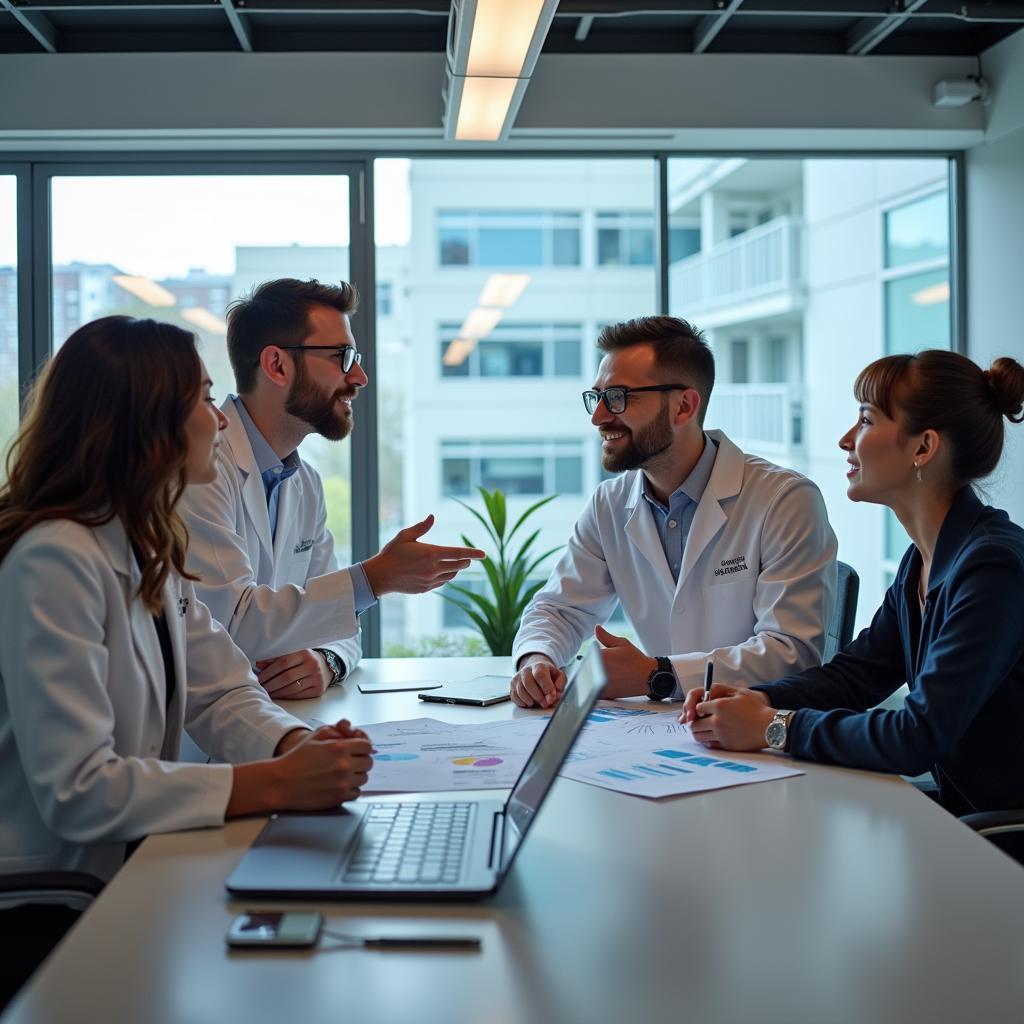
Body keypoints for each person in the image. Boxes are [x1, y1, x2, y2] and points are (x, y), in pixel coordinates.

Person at [0, 317, 373, 985]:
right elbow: (79, 790)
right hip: (45, 905)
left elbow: (220, 687)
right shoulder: (53, 559)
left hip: (127, 870)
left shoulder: (142, 542)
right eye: (203, 401)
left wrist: (293, 747)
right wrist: (275, 782)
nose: (221, 421)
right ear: (150, 425)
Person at [682, 349, 1024, 817]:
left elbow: (916, 737)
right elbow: (854, 677)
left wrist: (773, 726)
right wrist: (757, 699)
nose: (846, 440)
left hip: (1000, 838)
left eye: (865, 420)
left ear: (923, 448)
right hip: (964, 816)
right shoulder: (922, 562)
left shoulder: (992, 569)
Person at [510, 315, 838, 708]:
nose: (598, 416)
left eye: (618, 397)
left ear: (683, 406)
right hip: (665, 736)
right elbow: (560, 609)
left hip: (758, 736)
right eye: (596, 397)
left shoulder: (785, 500)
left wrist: (659, 674)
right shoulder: (609, 505)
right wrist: (536, 659)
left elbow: (791, 653)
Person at [180, 278, 484, 700]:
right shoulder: (200, 472)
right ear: (278, 366)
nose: (359, 377)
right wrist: (374, 578)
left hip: (271, 722)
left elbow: (342, 626)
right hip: (196, 745)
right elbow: (232, 623)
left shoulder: (303, 482)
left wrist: (327, 661)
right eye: (343, 357)